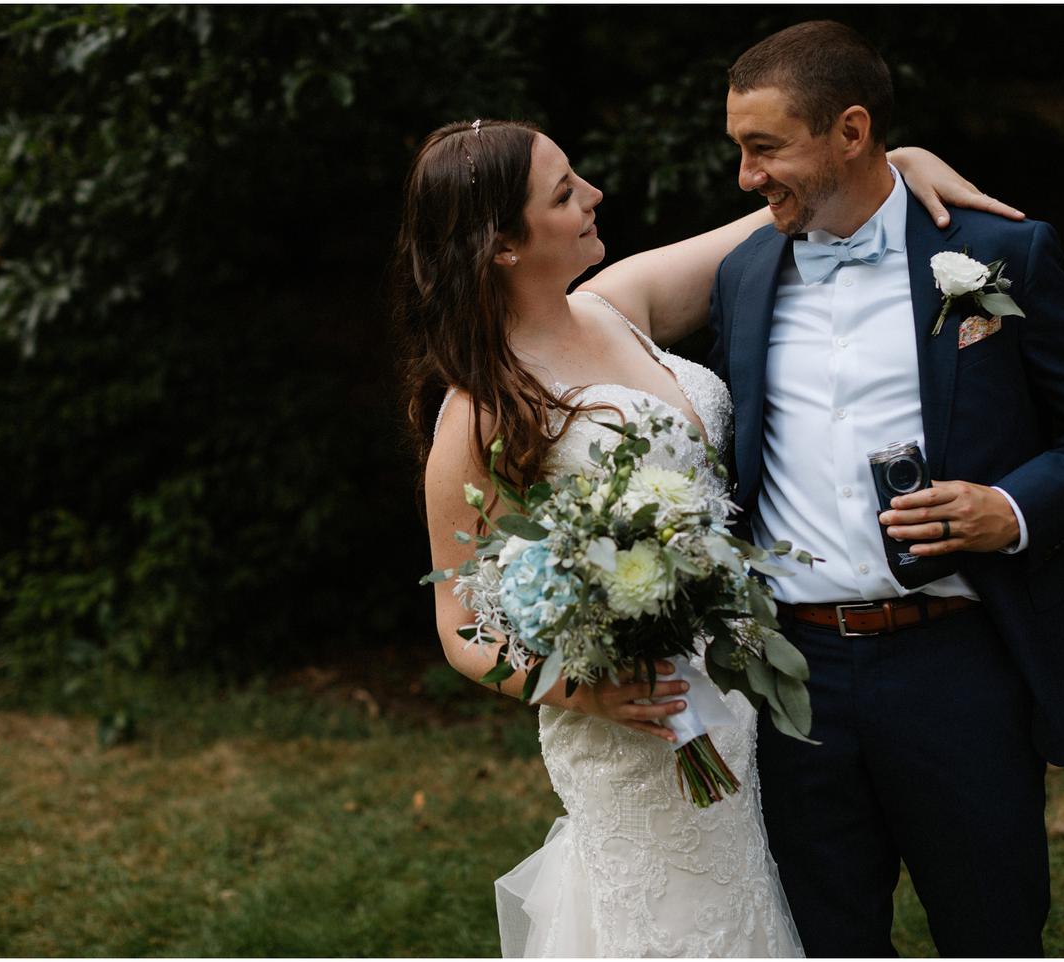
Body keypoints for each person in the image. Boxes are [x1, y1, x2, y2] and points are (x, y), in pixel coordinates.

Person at [395, 117, 1020, 957]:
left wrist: (889, 162)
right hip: (642, 726)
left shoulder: (617, 304)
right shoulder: (482, 409)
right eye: (563, 191)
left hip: (749, 700)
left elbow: (776, 216)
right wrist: (589, 691)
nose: (593, 196)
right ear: (503, 245)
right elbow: (462, 625)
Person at [710, 21, 1064, 957]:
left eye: (765, 147)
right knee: (825, 936)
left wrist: (1013, 509)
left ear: (852, 131)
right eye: (739, 150)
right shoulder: (744, 276)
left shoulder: (1000, 255)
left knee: (990, 929)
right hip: (797, 679)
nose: (747, 175)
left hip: (957, 661)